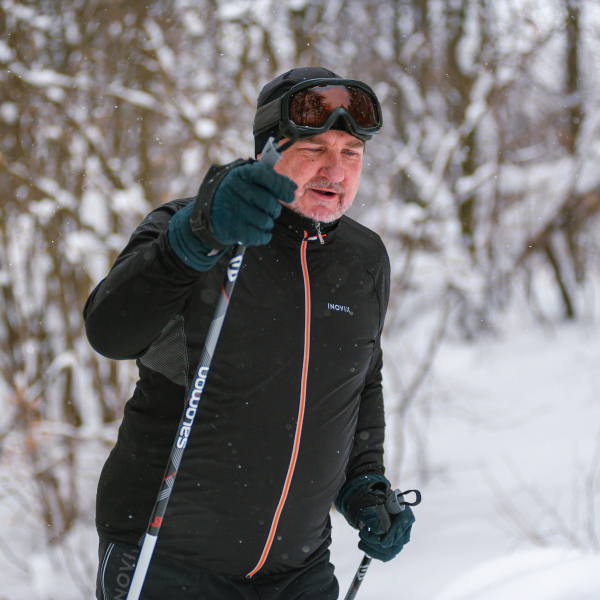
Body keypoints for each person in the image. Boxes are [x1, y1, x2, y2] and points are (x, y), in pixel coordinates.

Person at [85, 67, 415, 600]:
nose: (335, 170)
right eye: (314, 149)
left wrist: (363, 483)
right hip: (167, 561)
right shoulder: (197, 226)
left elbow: (358, 383)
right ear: (268, 151)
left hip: (299, 571)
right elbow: (109, 332)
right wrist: (194, 238)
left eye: (351, 153)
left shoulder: (364, 258)